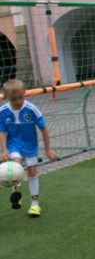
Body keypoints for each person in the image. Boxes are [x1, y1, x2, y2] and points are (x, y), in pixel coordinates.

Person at [0, 79, 57, 217]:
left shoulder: (32, 109)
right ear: (6, 97)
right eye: (14, 99)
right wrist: (4, 150)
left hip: (30, 145)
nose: (18, 101)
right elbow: (2, 132)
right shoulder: (3, 111)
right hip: (14, 144)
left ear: (24, 93)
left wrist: (48, 149)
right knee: (16, 163)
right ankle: (17, 193)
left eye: (20, 97)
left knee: (32, 172)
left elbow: (44, 129)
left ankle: (35, 204)